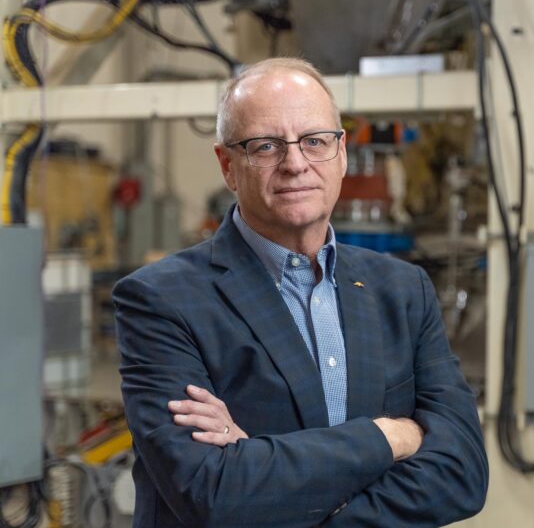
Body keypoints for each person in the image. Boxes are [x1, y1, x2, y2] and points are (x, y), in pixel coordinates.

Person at [113, 57, 488, 528]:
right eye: (266, 146)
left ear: (341, 153)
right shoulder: (160, 300)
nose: (295, 164)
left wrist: (266, 473)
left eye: (314, 141)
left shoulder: (403, 290)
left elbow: (462, 474)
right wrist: (391, 437)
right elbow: (213, 493)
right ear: (228, 166)